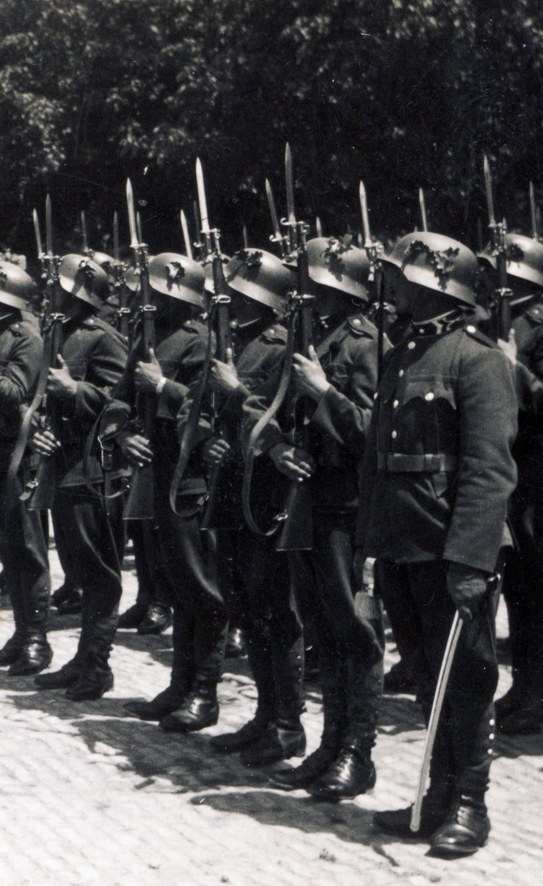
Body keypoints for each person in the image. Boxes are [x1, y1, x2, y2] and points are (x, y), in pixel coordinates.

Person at [362, 231, 517, 858]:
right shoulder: (402, 353)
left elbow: (489, 470)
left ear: (431, 284)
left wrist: (470, 562)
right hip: (402, 546)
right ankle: (436, 794)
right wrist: (373, 543)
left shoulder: (476, 359)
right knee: (428, 678)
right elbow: (381, 459)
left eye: (399, 275)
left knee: (468, 680)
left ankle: (469, 805)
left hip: (450, 553)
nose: (388, 283)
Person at [256, 238, 382, 800]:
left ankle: (358, 752)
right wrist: (279, 446)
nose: (298, 290)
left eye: (309, 281)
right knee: (322, 629)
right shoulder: (311, 337)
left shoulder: (363, 343)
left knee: (354, 631)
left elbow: (373, 433)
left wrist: (326, 392)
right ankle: (330, 745)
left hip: (347, 504)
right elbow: (277, 410)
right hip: (307, 499)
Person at [198, 249, 303, 767]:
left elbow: (276, 418)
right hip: (232, 487)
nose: (230, 299)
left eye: (240, 293)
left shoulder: (280, 347)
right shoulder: (230, 343)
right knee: (245, 604)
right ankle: (265, 714)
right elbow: (206, 412)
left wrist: (235, 392)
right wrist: (207, 441)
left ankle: (287, 723)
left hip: (266, 492)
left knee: (273, 610)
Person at [115, 254, 218, 728]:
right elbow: (119, 400)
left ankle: (203, 691)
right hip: (155, 471)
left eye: (158, 291)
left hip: (190, 475)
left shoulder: (202, 341)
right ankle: (179, 685)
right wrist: (122, 436)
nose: (149, 298)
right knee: (175, 584)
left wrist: (162, 386)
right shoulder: (147, 337)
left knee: (200, 587)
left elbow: (209, 411)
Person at [484, 234, 543, 736]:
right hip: (493, 467)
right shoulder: (487, 319)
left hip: (534, 473)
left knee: (534, 589)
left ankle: (536, 693)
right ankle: (520, 687)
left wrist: (511, 364)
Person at [28, 254, 129, 701]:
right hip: (63, 466)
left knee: (100, 572)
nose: (48, 292)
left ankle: (97, 666)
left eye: (58, 287)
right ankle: (84, 658)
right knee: (79, 569)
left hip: (95, 470)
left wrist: (76, 391)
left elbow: (123, 403)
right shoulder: (57, 332)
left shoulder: (103, 338)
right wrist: (38, 429)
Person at [0, 261, 50, 674]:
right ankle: (18, 633)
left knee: (29, 550)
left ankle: (37, 639)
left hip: (20, 457)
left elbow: (15, 393)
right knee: (5, 546)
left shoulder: (26, 339)